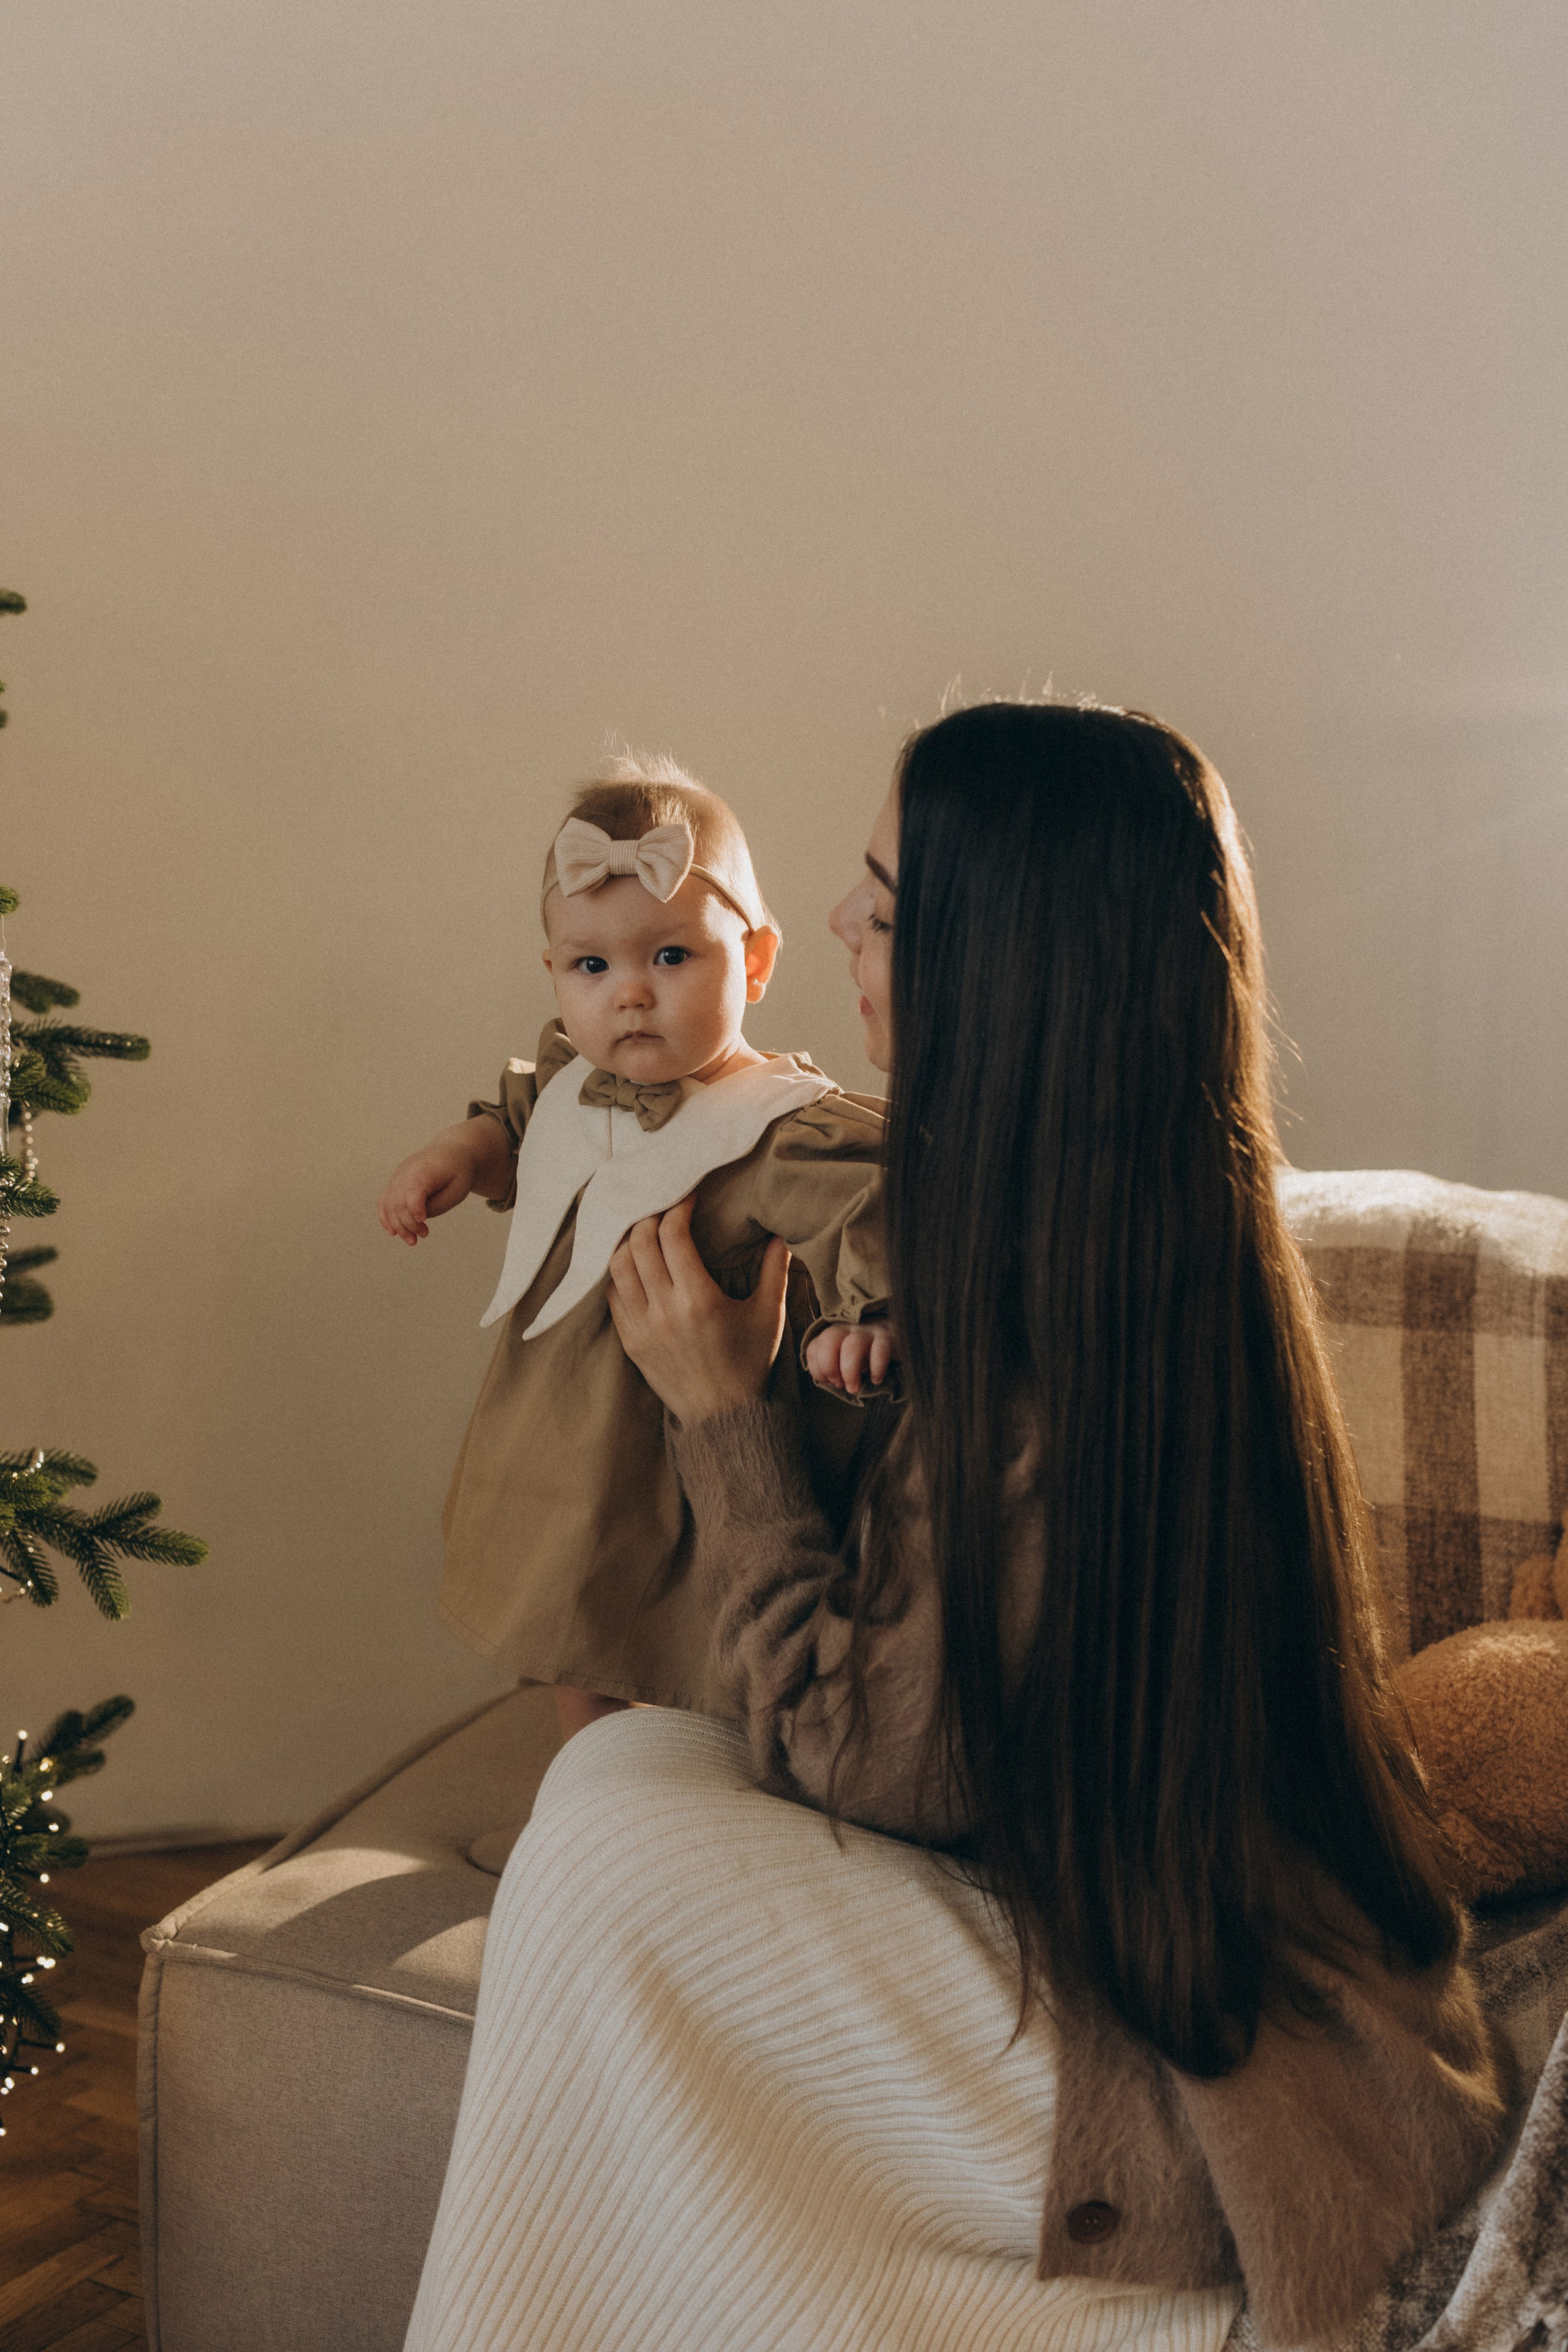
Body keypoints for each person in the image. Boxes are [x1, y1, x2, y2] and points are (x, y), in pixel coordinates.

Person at [405, 704, 1515, 2351]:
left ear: (1008, 965)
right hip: (1108, 1890)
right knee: (619, 1780)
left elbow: (874, 1757)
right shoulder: (1101, 1210)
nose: (846, 926)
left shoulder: (1058, 1304)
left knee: (618, 1856)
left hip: (1189, 2056)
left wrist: (731, 1417)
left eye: (888, 902)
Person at [378, 756, 891, 1736]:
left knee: (674, 1638)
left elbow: (868, 1208)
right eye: (593, 967)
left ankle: (673, 1802)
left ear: (755, 961)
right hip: (566, 1430)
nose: (631, 996)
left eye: (671, 957)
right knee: (574, 1617)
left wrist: (874, 1313)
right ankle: (586, 1795)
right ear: (557, 977)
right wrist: (458, 1158)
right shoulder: (571, 1082)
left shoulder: (776, 1125)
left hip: (679, 1453)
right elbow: (515, 1126)